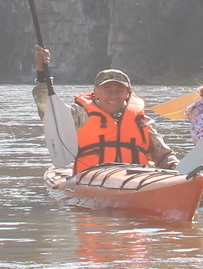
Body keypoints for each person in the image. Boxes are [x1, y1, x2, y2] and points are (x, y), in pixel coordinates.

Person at [31, 45, 178, 173]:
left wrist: (177, 168)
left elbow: (162, 154)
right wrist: (42, 72)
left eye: (119, 90)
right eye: (108, 90)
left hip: (136, 179)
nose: (113, 96)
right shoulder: (81, 114)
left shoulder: (143, 122)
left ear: (128, 94)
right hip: (91, 179)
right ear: (96, 92)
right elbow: (49, 113)